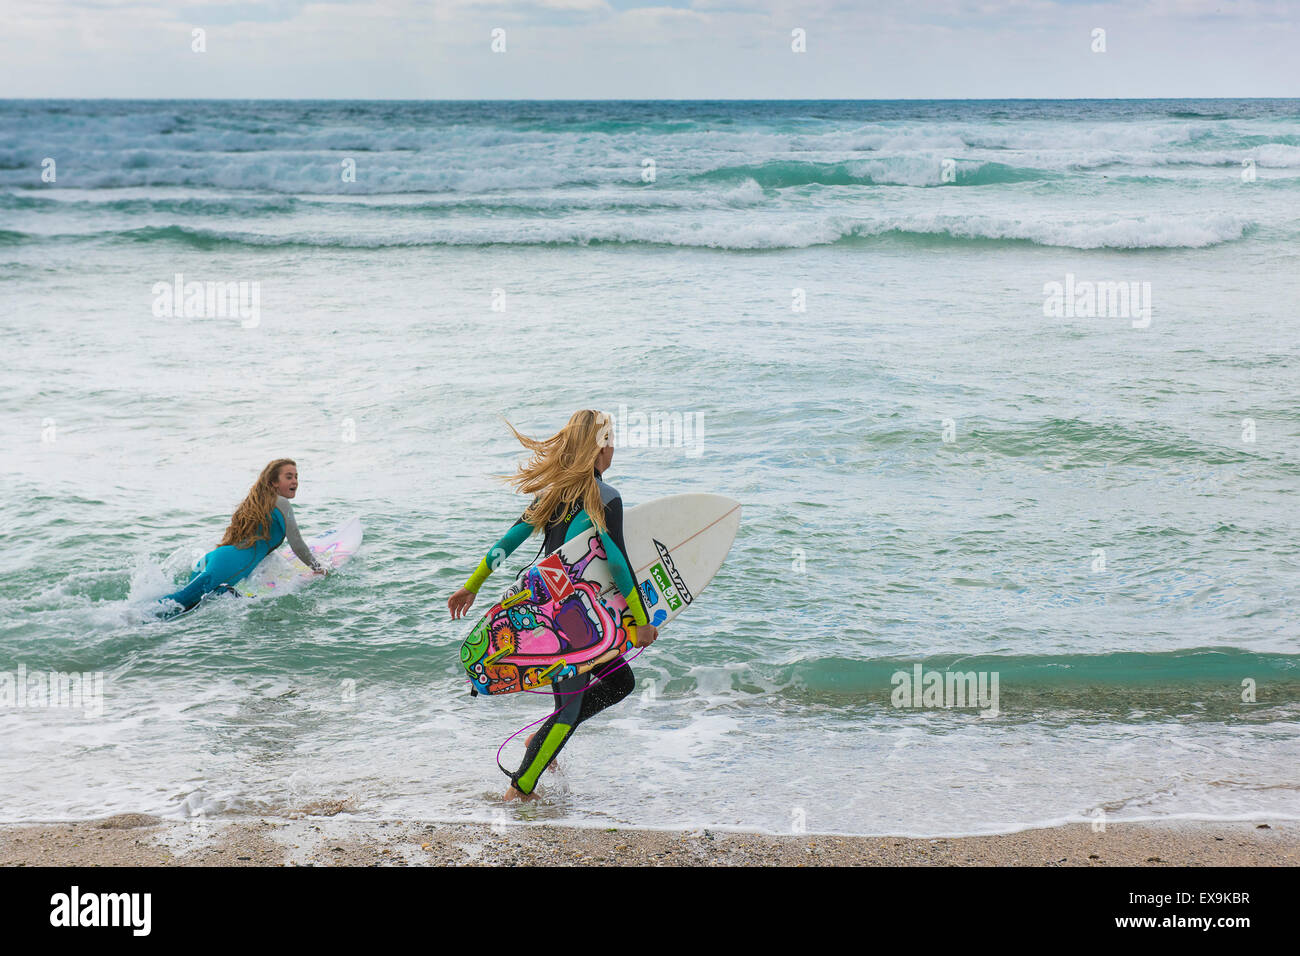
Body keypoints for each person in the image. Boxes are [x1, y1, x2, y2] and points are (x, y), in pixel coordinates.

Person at [448, 410, 658, 801]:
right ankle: (521, 788)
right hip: (574, 621)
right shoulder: (606, 498)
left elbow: (509, 541)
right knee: (570, 707)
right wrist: (641, 619)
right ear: (600, 448)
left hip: (549, 606)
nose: (615, 448)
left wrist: (473, 585)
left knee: (619, 683)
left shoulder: (553, 494)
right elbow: (617, 561)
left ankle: (537, 741)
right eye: (612, 441)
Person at [157, 458, 324, 617]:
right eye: (289, 477)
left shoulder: (257, 504)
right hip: (228, 566)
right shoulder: (281, 502)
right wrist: (318, 568)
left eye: (296, 476)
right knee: (174, 605)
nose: (295, 481)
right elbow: (297, 543)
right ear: (274, 482)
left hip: (215, 558)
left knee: (184, 609)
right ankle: (133, 616)